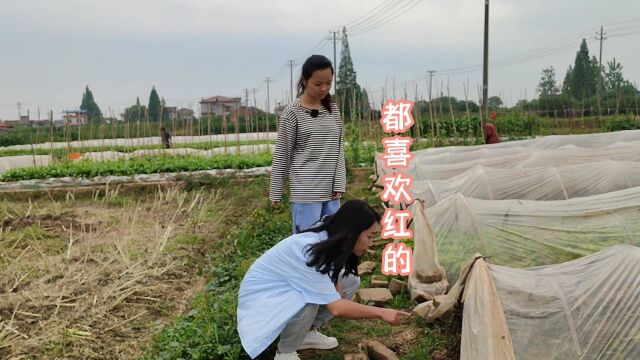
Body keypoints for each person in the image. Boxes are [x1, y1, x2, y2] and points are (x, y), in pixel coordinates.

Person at [237, 200, 410, 359]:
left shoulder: (329, 236)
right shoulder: (308, 250)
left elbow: (329, 271)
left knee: (350, 281)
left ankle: (307, 333)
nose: (371, 243)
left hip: (284, 287)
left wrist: (334, 282)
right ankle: (285, 352)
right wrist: (381, 313)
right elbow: (337, 308)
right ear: (352, 233)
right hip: (262, 299)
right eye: (370, 236)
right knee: (309, 299)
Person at [269, 55, 346, 234]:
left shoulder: (332, 109)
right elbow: (282, 154)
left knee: (331, 243)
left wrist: (339, 182)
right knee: (307, 246)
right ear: (305, 81)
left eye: (328, 83)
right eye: (318, 84)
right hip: (306, 193)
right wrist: (276, 191)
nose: (324, 88)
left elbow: (338, 148)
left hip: (332, 193)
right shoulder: (292, 113)